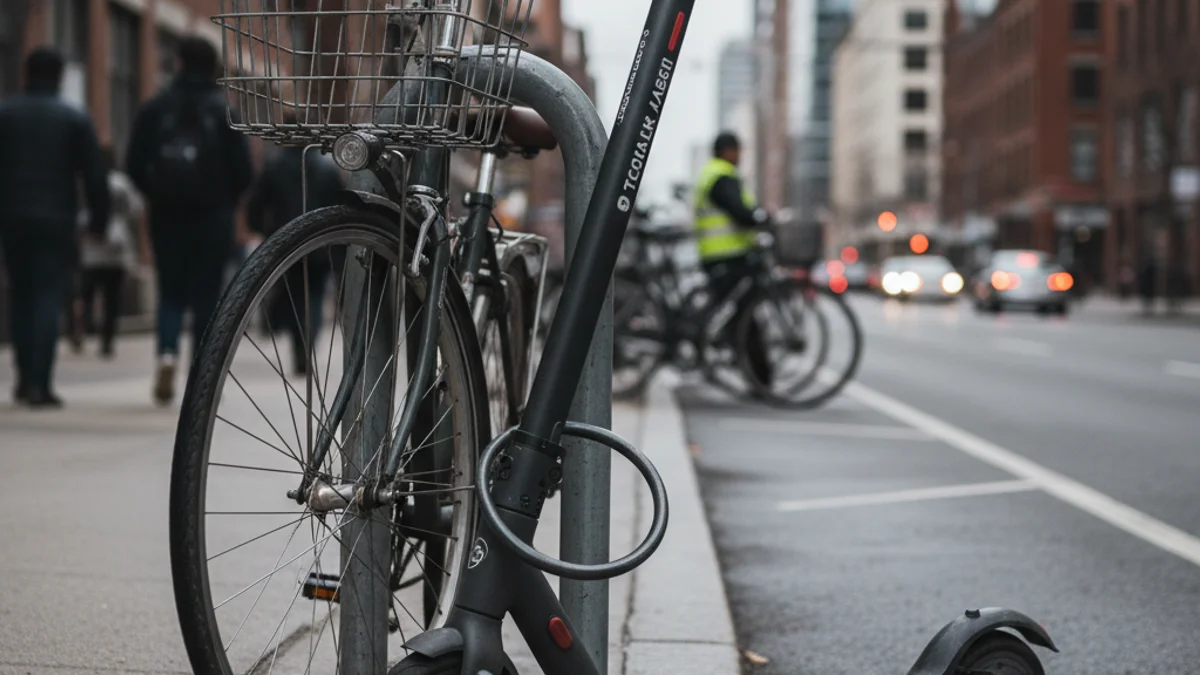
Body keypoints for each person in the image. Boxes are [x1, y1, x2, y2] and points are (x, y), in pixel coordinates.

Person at [126, 36, 253, 405]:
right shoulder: (223, 111)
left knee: (171, 293)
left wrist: (156, 193)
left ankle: (166, 354)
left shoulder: (156, 107)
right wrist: (225, 199)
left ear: (179, 62)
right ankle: (201, 379)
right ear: (213, 67)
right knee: (206, 297)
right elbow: (244, 173)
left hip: (167, 216)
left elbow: (134, 163)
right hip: (213, 218)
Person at [0, 48, 110, 408]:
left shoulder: (6, 114)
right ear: (61, 77)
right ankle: (40, 384)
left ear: (27, 73)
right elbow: (95, 175)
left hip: (13, 217)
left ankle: (23, 376)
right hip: (56, 219)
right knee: (48, 297)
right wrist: (98, 219)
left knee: (21, 295)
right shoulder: (73, 118)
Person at [246, 140, 345, 375]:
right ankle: (307, 343)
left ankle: (299, 345)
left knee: (294, 296)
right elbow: (341, 205)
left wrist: (261, 229)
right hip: (320, 243)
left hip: (286, 242)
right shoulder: (326, 166)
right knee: (315, 296)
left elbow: (258, 202)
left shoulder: (275, 165)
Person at [692, 131, 773, 389]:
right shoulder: (721, 176)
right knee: (745, 316)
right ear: (728, 151)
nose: (740, 156)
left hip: (721, 255)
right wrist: (759, 217)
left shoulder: (713, 173)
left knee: (740, 314)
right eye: (738, 150)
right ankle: (760, 376)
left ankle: (754, 372)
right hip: (726, 256)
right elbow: (738, 211)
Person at [78, 147, 145, 358]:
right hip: (117, 245)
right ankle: (107, 339)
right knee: (112, 297)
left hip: (92, 246)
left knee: (87, 291)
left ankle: (84, 322)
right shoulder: (121, 183)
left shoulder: (86, 180)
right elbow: (136, 209)